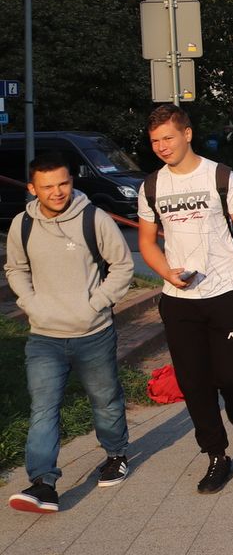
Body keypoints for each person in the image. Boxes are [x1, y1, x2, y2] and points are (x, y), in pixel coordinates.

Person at [137, 104, 233, 494]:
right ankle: (216, 455)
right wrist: (166, 272)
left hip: (224, 291)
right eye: (155, 141)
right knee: (194, 384)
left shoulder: (220, 176)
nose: (162, 146)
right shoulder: (152, 186)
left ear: (187, 134)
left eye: (168, 138)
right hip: (178, 299)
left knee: (229, 376)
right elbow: (146, 242)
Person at [5, 152, 134, 513]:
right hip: (44, 336)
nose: (57, 192)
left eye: (63, 183)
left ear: (71, 181)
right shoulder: (22, 224)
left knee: (105, 401)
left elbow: (122, 267)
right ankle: (43, 483)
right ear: (33, 188)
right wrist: (32, 304)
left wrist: (95, 304)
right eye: (47, 186)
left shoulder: (94, 218)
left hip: (93, 333)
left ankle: (116, 455)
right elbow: (15, 268)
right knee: (43, 409)